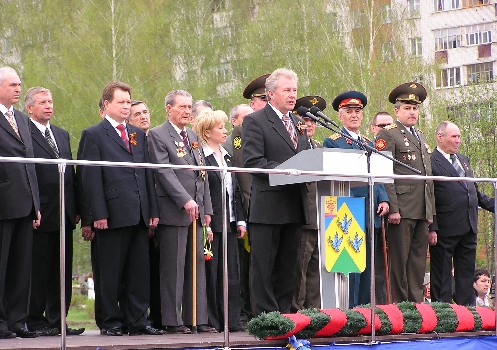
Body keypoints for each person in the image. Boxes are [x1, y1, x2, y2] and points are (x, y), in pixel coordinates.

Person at [79, 82, 163, 336]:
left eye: (129, 102)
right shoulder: (93, 134)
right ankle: (110, 321)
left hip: (138, 213)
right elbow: (89, 178)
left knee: (138, 271)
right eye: (121, 102)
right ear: (107, 105)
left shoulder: (136, 134)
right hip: (111, 215)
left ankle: (137, 320)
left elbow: (147, 174)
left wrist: (152, 210)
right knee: (110, 272)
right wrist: (97, 214)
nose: (127, 106)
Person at [147, 90, 216, 334]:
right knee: (173, 267)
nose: (187, 111)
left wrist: (206, 208)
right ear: (168, 108)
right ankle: (172, 319)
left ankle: (196, 317)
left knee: (196, 264)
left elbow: (202, 174)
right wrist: (185, 200)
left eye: (189, 107)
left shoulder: (192, 135)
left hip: (196, 212)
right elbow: (164, 172)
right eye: (182, 107)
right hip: (174, 209)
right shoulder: (158, 135)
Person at [242, 68, 310, 316]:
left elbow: (305, 158)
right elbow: (252, 162)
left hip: (294, 204)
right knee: (263, 266)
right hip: (269, 206)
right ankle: (264, 316)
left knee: (288, 266)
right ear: (271, 94)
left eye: (294, 90)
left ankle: (284, 315)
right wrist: (287, 171)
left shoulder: (299, 123)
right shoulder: (255, 121)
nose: (293, 96)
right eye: (287, 91)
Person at [25, 87, 84, 336]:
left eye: (50, 101)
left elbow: (70, 175)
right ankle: (34, 320)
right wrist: (32, 207)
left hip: (64, 214)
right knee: (38, 271)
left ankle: (58, 320)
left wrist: (77, 208)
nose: (48, 106)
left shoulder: (61, 134)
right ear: (29, 108)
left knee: (61, 271)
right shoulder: (24, 133)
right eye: (42, 102)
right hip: (41, 213)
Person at [323, 91, 390, 307]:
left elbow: (377, 175)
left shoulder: (369, 143)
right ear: (340, 116)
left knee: (368, 267)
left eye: (357, 112)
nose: (354, 116)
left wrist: (384, 198)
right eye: (349, 112)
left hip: (370, 210)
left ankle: (363, 312)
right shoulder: (333, 142)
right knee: (350, 268)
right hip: (348, 208)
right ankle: (349, 311)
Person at [375, 82, 435, 303]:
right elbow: (384, 173)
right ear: (396, 111)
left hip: (421, 208)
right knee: (398, 263)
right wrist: (393, 208)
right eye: (407, 108)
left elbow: (428, 178)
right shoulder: (389, 134)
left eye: (415, 108)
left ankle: (416, 307)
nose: (412, 112)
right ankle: (400, 308)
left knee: (418, 263)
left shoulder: (419, 136)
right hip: (402, 208)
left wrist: (431, 213)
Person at [428, 121, 494, 305]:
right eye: (454, 137)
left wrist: (492, 204)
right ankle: (442, 313)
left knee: (466, 273)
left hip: (469, 225)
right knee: (442, 273)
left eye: (459, 137)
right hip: (445, 227)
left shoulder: (463, 159)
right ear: (440, 137)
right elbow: (429, 196)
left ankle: (468, 312)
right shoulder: (431, 161)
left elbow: (473, 190)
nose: (458, 141)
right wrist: (432, 226)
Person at [194, 109, 246, 332]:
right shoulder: (201, 157)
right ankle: (213, 320)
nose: (225, 131)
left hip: (231, 223)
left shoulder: (226, 156)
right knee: (212, 273)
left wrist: (241, 220)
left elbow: (236, 191)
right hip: (212, 223)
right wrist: (206, 223)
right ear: (207, 132)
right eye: (220, 128)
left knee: (231, 273)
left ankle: (232, 320)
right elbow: (201, 190)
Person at [0, 67, 41, 339]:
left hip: (25, 204)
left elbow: (30, 163)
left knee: (20, 266)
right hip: (3, 203)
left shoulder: (21, 120)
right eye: (12, 84)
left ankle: (17, 321)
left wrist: (36, 203)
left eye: (19, 84)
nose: (18, 88)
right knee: (1, 265)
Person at [235, 74, 269, 324]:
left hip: (275, 204)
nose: (267, 103)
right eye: (263, 99)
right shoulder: (245, 128)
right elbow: (244, 174)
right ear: (254, 101)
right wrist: (246, 211)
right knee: (253, 265)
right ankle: (250, 313)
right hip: (252, 206)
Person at [126, 99, 161, 329]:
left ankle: (157, 317)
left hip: (162, 214)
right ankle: (136, 316)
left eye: (146, 112)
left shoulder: (156, 139)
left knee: (158, 270)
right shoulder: (132, 142)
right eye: (137, 113)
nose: (143, 116)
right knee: (138, 270)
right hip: (139, 215)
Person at [291, 96, 325, 312]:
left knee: (316, 271)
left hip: (322, 217)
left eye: (312, 120)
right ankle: (297, 313)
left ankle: (315, 314)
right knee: (299, 271)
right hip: (302, 216)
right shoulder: (295, 147)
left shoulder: (319, 147)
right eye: (304, 119)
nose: (309, 124)